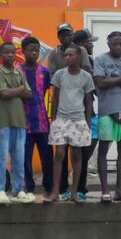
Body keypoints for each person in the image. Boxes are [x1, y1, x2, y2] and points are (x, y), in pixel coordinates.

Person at [44, 44, 95, 203]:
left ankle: (74, 192)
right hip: (61, 119)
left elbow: (88, 102)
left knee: (76, 156)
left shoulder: (86, 77)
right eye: (65, 55)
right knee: (59, 154)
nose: (67, 58)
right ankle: (55, 192)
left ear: (78, 56)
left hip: (78, 120)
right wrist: (53, 120)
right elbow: (55, 98)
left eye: (70, 55)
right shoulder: (59, 74)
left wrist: (86, 123)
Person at [93, 31, 121, 203]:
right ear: (109, 44)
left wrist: (113, 78)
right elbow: (100, 83)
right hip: (106, 111)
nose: (118, 46)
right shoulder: (100, 59)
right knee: (103, 151)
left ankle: (119, 190)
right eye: (115, 43)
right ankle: (105, 191)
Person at [0, 42, 34, 204]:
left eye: (12, 52)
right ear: (0, 55)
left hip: (19, 121)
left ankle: (18, 190)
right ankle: (0, 190)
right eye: (6, 52)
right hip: (3, 121)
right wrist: (20, 89)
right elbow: (4, 93)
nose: (10, 55)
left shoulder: (19, 72)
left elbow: (29, 94)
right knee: (1, 157)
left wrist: (17, 90)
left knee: (18, 157)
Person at [19, 36, 53, 198]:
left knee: (47, 157)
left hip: (42, 122)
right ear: (23, 51)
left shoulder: (44, 72)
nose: (34, 53)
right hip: (23, 123)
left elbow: (45, 92)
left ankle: (49, 188)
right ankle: (29, 188)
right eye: (31, 50)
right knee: (25, 158)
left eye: (36, 50)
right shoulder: (18, 71)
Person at [73, 29, 102, 195]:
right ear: (80, 45)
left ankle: (80, 182)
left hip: (90, 110)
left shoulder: (90, 61)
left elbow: (96, 90)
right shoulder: (71, 63)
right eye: (88, 42)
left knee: (93, 140)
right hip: (76, 111)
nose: (91, 45)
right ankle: (76, 186)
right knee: (77, 151)